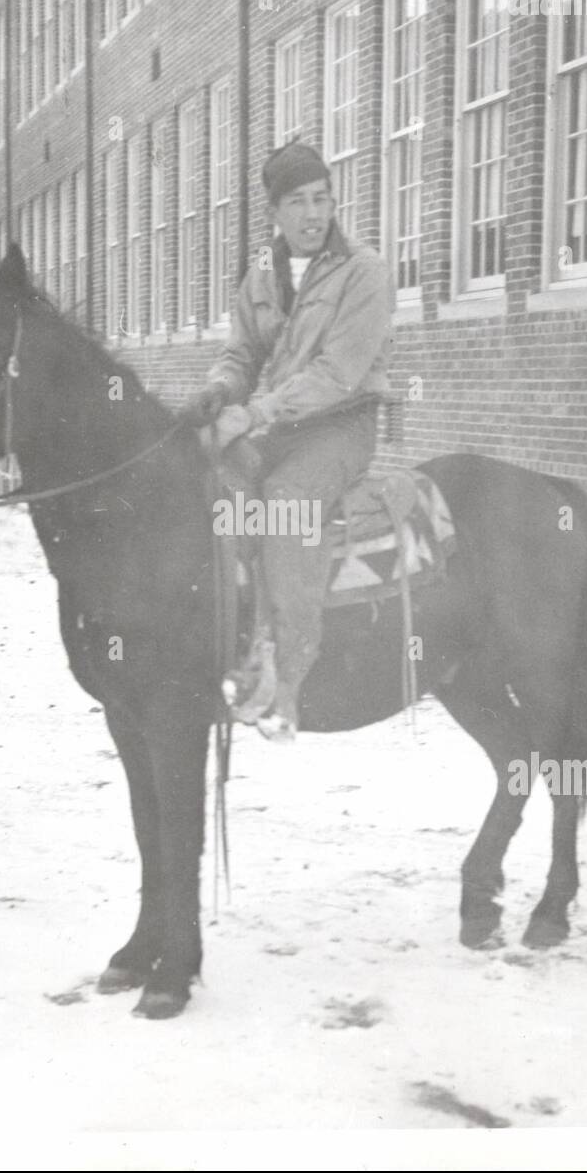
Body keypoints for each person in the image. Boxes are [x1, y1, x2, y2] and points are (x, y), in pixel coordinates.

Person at [181, 141, 393, 737]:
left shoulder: (365, 272)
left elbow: (337, 373)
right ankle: (233, 645)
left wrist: (253, 415)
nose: (312, 214)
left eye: (321, 198)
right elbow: (240, 353)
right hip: (272, 422)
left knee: (287, 505)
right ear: (274, 212)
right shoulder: (262, 274)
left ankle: (290, 680)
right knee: (218, 491)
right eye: (297, 202)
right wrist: (221, 393)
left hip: (338, 425)